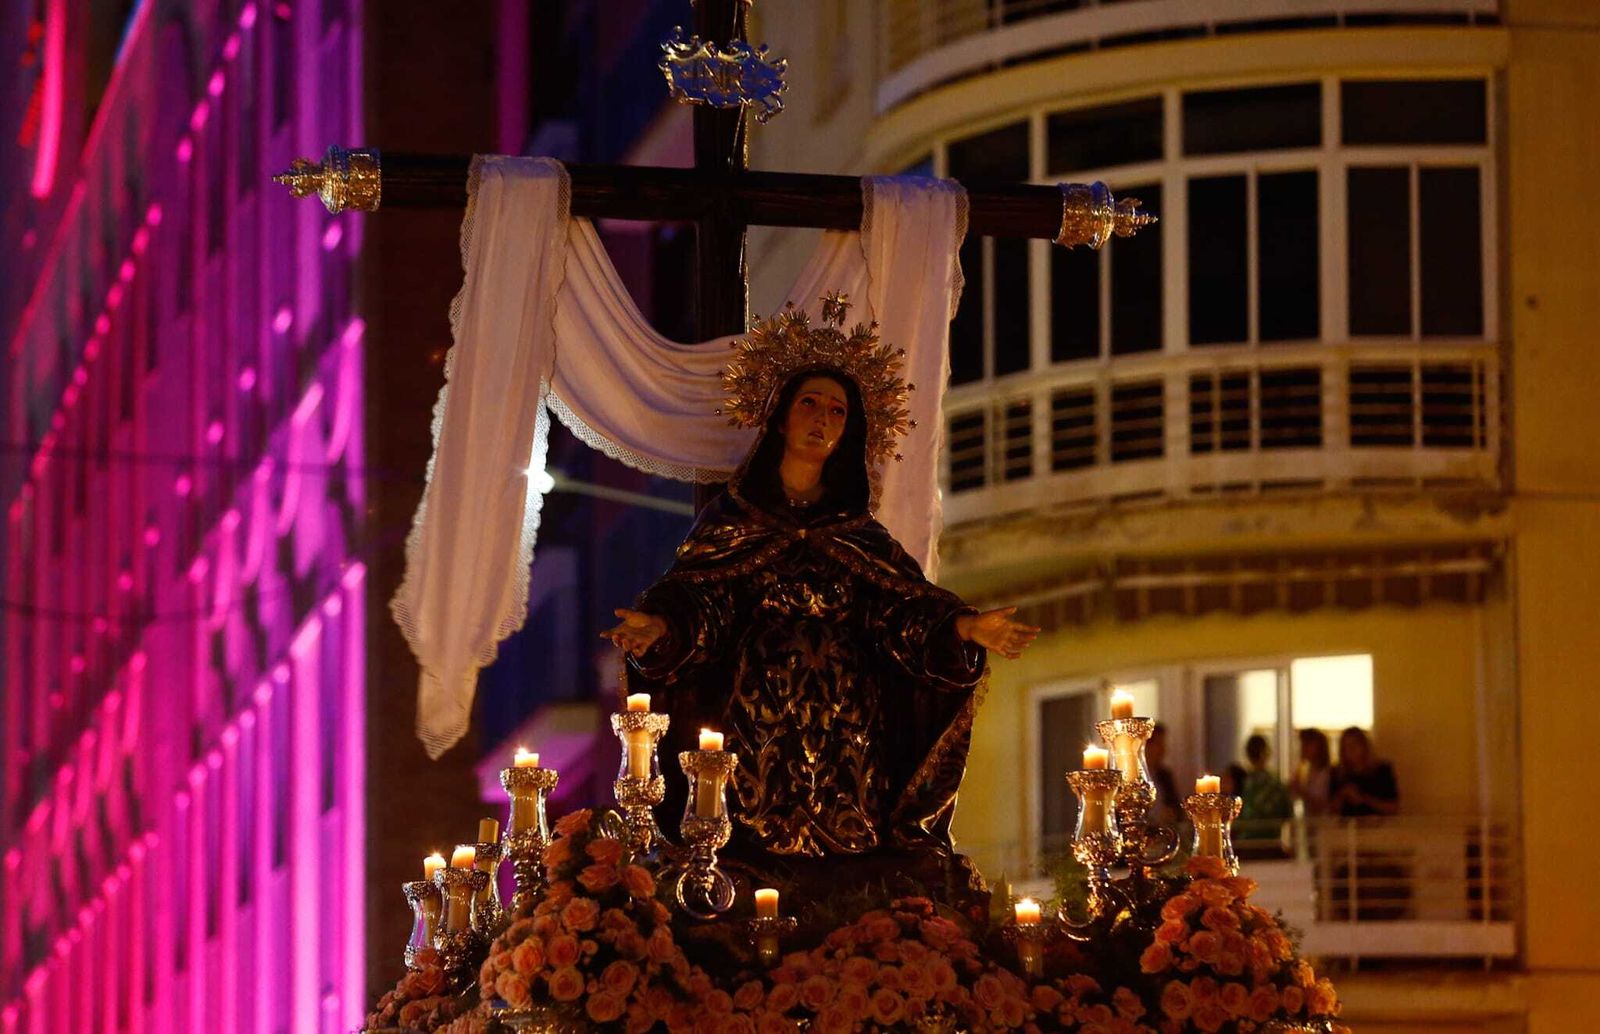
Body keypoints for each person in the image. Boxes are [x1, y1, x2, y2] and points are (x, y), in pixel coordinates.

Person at [601, 298, 1039, 911]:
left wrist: (962, 627)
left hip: (848, 723)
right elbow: (706, 601)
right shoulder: (733, 523)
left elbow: (898, 613)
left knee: (855, 864)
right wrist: (664, 628)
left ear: (848, 431)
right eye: (809, 403)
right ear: (779, 416)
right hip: (757, 714)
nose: (822, 419)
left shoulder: (859, 537)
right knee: (747, 843)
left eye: (837, 411)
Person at [1237, 734, 1292, 854]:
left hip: (1249, 844)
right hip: (1269, 843)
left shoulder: (1243, 783)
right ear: (1267, 753)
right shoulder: (1277, 784)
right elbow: (1288, 814)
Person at [1330, 727, 1399, 817]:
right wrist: (1342, 795)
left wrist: (1365, 799)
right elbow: (1330, 810)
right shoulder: (1338, 773)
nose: (1351, 750)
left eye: (1355, 745)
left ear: (1364, 746)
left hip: (1378, 827)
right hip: (1347, 827)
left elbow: (1393, 807)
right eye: (1346, 746)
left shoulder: (1382, 771)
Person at [1291, 728, 1333, 817]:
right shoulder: (1305, 771)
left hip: (1324, 825)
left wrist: (1301, 791)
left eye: (1307, 744)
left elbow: (1322, 806)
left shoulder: (1328, 774)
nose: (1303, 748)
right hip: (1310, 824)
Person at [1146, 723, 1182, 826]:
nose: (1163, 750)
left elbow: (1177, 809)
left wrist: (1172, 814)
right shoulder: (1131, 777)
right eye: (1159, 745)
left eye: (1163, 745)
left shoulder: (1165, 775)